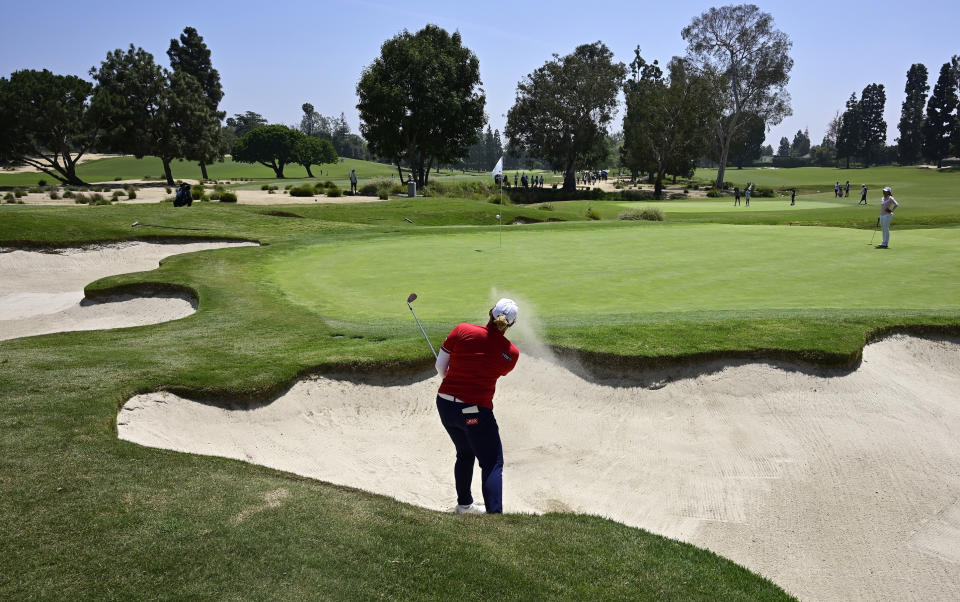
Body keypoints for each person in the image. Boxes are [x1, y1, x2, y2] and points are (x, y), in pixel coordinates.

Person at [435, 298, 520, 515]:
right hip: (474, 411)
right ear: (511, 324)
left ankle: (464, 505)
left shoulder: (462, 330)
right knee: (492, 462)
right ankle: (494, 516)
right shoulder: (510, 353)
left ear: (491, 312)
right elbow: (495, 370)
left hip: (445, 404)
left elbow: (440, 367)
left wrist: (455, 375)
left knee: (464, 453)